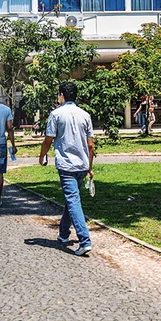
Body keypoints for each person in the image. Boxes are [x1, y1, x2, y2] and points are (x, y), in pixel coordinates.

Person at [38, 81, 95, 257]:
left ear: (62, 95)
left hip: (66, 165)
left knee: (73, 200)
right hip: (82, 164)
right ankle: (63, 234)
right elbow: (91, 145)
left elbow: (48, 139)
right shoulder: (85, 115)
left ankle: (85, 240)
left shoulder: (56, 114)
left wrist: (42, 155)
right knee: (72, 199)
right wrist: (90, 167)